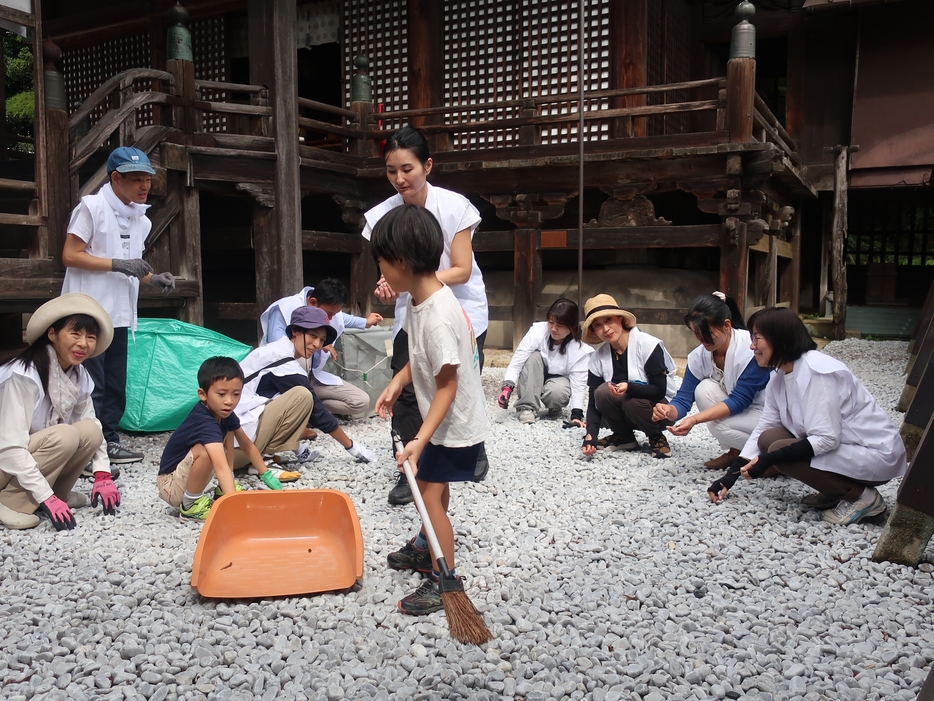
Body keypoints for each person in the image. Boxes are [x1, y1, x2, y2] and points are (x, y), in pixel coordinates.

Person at [362, 126, 490, 505]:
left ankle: (469, 447)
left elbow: (463, 270)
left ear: (427, 165)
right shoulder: (381, 214)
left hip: (459, 309)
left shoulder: (455, 207)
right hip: (412, 311)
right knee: (406, 392)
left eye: (407, 169)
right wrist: (388, 285)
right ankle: (409, 467)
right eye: (390, 171)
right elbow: (386, 269)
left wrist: (415, 279)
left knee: (455, 382)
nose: (399, 179)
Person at [372, 204, 489, 615]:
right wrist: (398, 380)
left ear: (401, 261)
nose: (382, 273)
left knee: (429, 495)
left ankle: (446, 579)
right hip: (446, 421)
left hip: (452, 424)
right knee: (435, 489)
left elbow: (447, 385)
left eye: (383, 263)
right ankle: (426, 547)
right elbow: (421, 359)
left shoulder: (437, 315)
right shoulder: (424, 301)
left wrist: (420, 441)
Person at [707, 307, 908, 525]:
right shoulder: (779, 375)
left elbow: (826, 438)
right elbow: (765, 426)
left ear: (780, 338)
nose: (752, 345)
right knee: (769, 439)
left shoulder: (818, 372)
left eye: (757, 338)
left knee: (777, 450)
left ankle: (864, 498)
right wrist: (730, 476)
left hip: (874, 454)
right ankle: (835, 491)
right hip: (846, 448)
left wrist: (770, 459)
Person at [61, 146, 176, 466]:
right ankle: (86, 449)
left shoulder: (141, 219)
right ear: (115, 178)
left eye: (148, 180)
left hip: (122, 314)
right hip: (89, 311)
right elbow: (70, 255)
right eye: (137, 180)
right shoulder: (92, 207)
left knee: (114, 384)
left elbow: (132, 266)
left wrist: (153, 279)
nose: (145, 186)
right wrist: (116, 264)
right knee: (90, 385)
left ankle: (108, 442)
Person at [0, 293, 121, 530]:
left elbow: (91, 425)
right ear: (52, 334)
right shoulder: (24, 376)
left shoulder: (79, 375)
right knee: (65, 435)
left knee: (89, 431)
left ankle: (58, 493)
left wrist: (102, 474)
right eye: (75, 333)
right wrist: (47, 497)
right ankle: (11, 502)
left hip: (22, 458)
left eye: (90, 337)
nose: (83, 343)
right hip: (5, 460)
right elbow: (10, 447)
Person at [237, 306, 376, 466]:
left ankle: (286, 452)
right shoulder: (282, 361)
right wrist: (351, 446)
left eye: (322, 340)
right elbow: (316, 410)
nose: (317, 344)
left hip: (231, 440)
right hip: (237, 449)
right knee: (302, 397)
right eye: (313, 335)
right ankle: (265, 462)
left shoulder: (274, 350)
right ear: (295, 331)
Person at [652, 292, 771, 469]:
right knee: (704, 389)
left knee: (719, 427)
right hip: (745, 413)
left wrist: (695, 420)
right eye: (697, 333)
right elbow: (684, 398)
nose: (702, 339)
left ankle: (769, 458)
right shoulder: (699, 355)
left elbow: (740, 400)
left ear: (727, 325)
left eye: (707, 333)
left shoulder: (750, 349)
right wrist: (668, 410)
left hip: (768, 414)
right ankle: (737, 452)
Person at [157, 357, 285, 520]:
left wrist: (266, 475)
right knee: (206, 451)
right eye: (221, 394)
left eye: (236, 394)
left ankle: (222, 490)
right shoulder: (204, 422)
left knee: (229, 431)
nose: (229, 401)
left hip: (185, 478)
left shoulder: (223, 413)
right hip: (170, 484)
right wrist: (234, 506)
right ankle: (190, 506)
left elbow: (247, 445)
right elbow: (220, 465)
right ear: (203, 394)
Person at [259, 277, 382, 417]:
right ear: (312, 302)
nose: (330, 319)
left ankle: (309, 411)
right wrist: (317, 344)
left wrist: (366, 322)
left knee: (361, 401)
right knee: (298, 356)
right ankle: (296, 416)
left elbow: (343, 319)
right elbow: (277, 350)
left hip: (311, 376)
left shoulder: (329, 312)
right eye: (329, 314)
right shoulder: (284, 308)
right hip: (281, 378)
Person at [579, 294, 678, 459]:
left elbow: (659, 390)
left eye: (609, 320)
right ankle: (624, 436)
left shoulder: (647, 345)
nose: (605, 329)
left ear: (620, 319)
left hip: (659, 410)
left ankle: (655, 437)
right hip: (626, 410)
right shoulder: (598, 357)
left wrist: (630, 387)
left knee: (630, 399)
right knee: (602, 392)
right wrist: (591, 435)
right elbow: (593, 403)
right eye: (598, 325)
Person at [497, 298, 593, 425]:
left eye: (560, 325)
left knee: (558, 392)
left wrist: (576, 415)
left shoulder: (580, 350)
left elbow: (579, 384)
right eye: (551, 322)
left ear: (572, 327)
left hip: (558, 381)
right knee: (532, 357)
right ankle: (527, 407)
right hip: (535, 372)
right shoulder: (537, 332)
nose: (553, 328)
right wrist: (507, 387)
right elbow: (518, 361)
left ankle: (555, 406)